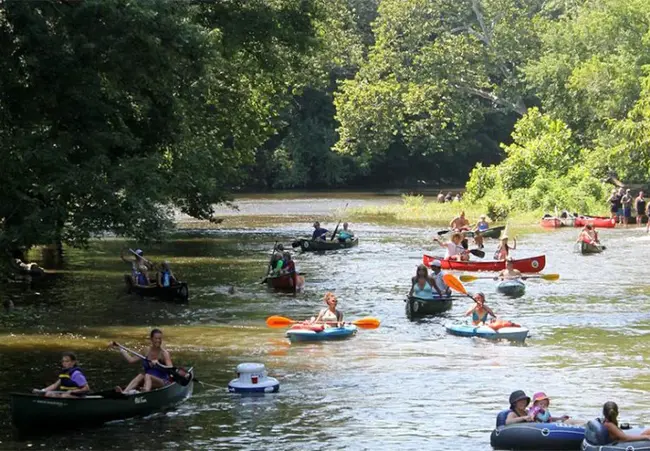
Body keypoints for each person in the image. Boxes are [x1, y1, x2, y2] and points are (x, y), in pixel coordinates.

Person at [112, 329, 172, 393]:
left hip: (162, 381)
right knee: (141, 375)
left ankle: (145, 393)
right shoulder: (146, 351)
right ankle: (124, 392)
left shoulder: (164, 353)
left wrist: (158, 364)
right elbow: (131, 360)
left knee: (147, 375)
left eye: (160, 338)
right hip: (147, 381)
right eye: (156, 338)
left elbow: (171, 369)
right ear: (151, 339)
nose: (158, 340)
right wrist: (121, 349)